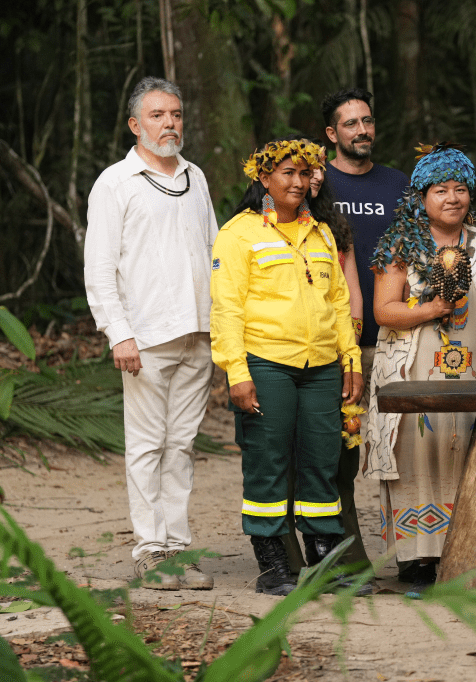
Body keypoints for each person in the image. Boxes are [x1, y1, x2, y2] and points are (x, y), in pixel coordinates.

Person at [363, 144, 476, 598]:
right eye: (442, 190)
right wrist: (429, 310)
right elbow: (384, 310)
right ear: (422, 198)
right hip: (416, 367)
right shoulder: (400, 246)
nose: (453, 198)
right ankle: (420, 560)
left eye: (460, 189)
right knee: (420, 455)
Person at [210, 137, 363, 596]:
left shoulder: (321, 233)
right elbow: (226, 310)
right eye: (287, 174)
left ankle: (325, 562)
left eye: (303, 173)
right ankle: (273, 563)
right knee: (268, 462)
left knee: (322, 461)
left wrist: (351, 361)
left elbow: (338, 303)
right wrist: (236, 372)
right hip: (266, 364)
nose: (297, 182)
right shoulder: (238, 234)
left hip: (322, 367)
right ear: (265, 178)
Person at [85, 77, 217, 591]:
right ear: (136, 124)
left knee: (181, 445)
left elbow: (213, 252)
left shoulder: (196, 177)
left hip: (197, 332)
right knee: (146, 445)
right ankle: (149, 549)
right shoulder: (116, 182)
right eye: (159, 115)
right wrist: (118, 333)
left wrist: (220, 328)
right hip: (145, 336)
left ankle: (178, 550)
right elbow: (100, 268)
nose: (170, 123)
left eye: (177, 114)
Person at [321, 88, 410, 574]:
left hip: (395, 339)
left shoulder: (397, 184)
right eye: (350, 123)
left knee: (395, 445)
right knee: (342, 446)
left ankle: (408, 549)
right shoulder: (317, 184)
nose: (362, 131)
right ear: (332, 134)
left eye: (367, 121)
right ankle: (344, 550)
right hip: (340, 345)